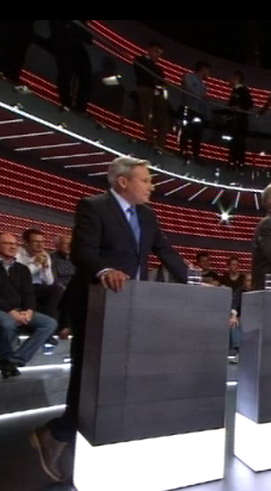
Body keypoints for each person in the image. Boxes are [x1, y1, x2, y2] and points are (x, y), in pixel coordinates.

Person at [33, 157, 189, 483]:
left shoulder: (147, 215)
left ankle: (87, 437)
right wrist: (105, 270)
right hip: (94, 300)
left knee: (121, 377)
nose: (151, 186)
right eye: (145, 180)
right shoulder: (93, 206)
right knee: (89, 375)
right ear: (123, 181)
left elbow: (165, 252)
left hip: (131, 305)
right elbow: (82, 252)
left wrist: (197, 282)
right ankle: (58, 434)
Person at [0, 232, 57, 378]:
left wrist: (29, 311)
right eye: (7, 243)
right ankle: (5, 360)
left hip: (20, 309)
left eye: (14, 244)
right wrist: (11, 312)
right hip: (3, 309)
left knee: (49, 324)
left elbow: (29, 293)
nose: (12, 247)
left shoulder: (21, 269)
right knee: (8, 324)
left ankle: (14, 360)